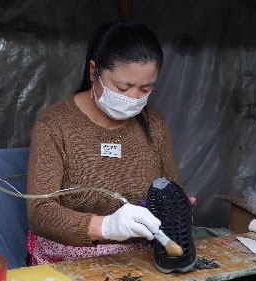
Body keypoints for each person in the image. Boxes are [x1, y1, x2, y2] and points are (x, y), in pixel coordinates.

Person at [26, 21, 195, 265]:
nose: (134, 98)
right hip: (68, 262)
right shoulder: (54, 125)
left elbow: (170, 186)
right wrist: (105, 227)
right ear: (94, 71)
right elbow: (40, 213)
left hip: (143, 259)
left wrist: (175, 207)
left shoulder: (155, 124)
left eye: (145, 88)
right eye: (123, 87)